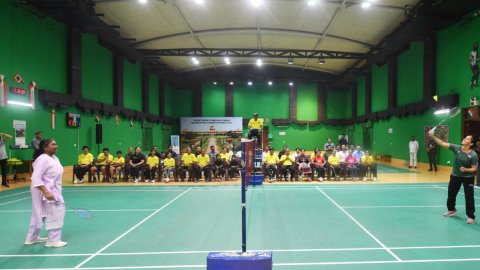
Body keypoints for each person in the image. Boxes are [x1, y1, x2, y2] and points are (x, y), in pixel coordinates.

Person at [428, 131, 478, 224]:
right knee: (451, 193)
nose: (464, 138)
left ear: (470, 143)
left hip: (468, 177)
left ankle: (471, 216)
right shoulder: (456, 148)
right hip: (455, 175)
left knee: (469, 197)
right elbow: (442, 143)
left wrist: (465, 169)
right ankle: (451, 210)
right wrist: (433, 136)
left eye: (467, 138)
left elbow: (474, 169)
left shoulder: (473, 155)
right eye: (465, 137)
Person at [25, 139, 67, 247]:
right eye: (53, 144)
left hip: (52, 189)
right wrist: (46, 192)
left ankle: (32, 238)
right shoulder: (42, 159)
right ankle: (53, 240)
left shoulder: (54, 158)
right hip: (43, 189)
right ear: (45, 147)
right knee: (54, 211)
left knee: (40, 213)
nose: (56, 146)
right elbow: (35, 178)